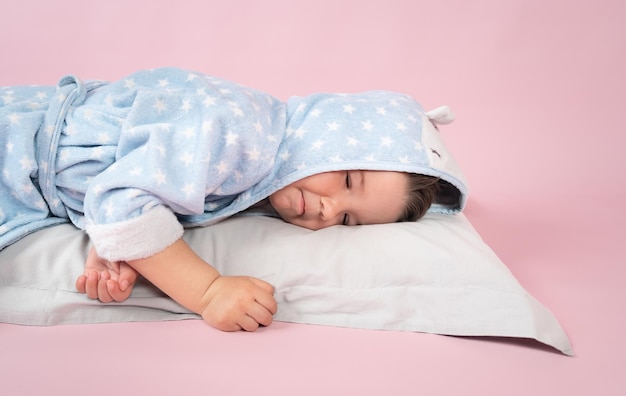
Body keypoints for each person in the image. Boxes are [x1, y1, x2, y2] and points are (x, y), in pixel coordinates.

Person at [0, 67, 468, 331]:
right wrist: (207, 291)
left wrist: (113, 244)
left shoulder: (264, 168)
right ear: (328, 134)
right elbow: (126, 203)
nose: (329, 211)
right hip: (18, 143)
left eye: (348, 221)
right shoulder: (240, 132)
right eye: (347, 179)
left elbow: (134, 175)